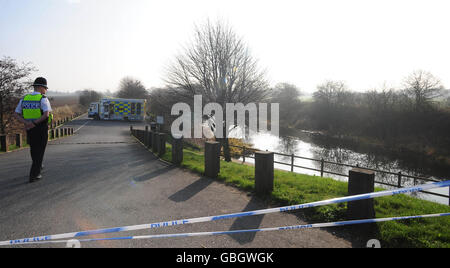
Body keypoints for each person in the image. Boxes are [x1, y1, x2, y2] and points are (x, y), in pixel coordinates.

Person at [13, 77, 53, 183]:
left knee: (33, 150)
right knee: (40, 151)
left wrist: (27, 123)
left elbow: (16, 114)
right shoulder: (43, 99)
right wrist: (35, 123)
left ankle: (38, 166)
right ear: (41, 87)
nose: (46, 90)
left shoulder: (24, 98)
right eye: (45, 88)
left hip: (29, 129)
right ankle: (34, 174)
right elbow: (46, 114)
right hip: (40, 128)